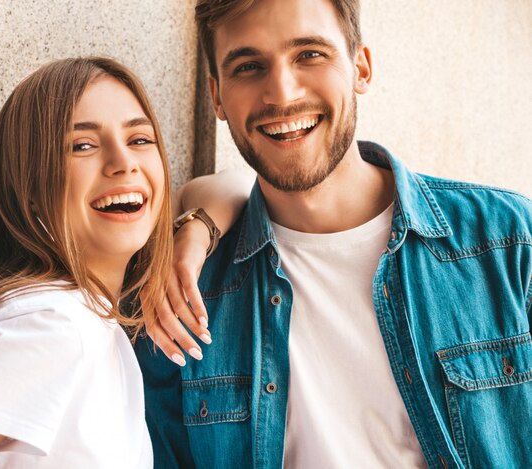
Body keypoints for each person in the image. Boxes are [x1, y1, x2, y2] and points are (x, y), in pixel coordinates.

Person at [135, 1, 532, 468]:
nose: (281, 93)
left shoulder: (507, 240)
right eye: (249, 66)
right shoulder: (183, 294)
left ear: (360, 66)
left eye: (309, 54)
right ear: (216, 96)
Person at [0, 56, 247, 468]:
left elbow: (238, 183)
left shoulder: (84, 316)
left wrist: (193, 234)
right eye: (82, 145)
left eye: (140, 139)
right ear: (30, 188)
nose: (124, 162)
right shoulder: (53, 328)